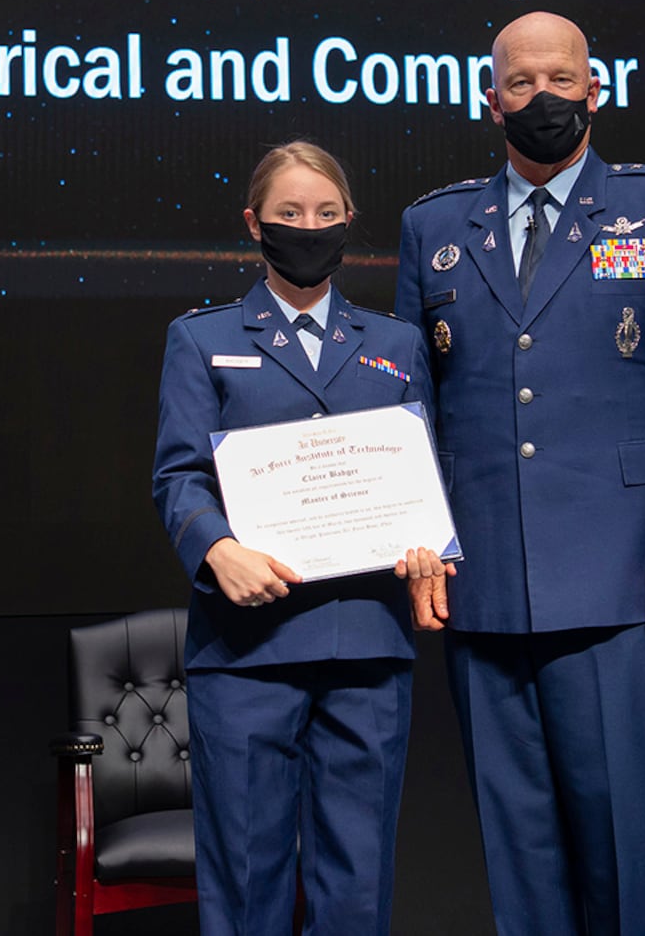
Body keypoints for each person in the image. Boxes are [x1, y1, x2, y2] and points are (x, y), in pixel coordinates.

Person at [396, 11, 645, 935]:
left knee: (625, 851)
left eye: (560, 79)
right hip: (484, 587)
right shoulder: (433, 225)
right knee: (519, 857)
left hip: (625, 581)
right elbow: (410, 408)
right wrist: (423, 540)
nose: (542, 97)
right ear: (489, 100)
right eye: (521, 82)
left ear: (597, 89)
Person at [153, 141, 446, 935]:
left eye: (324, 213)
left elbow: (424, 480)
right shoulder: (200, 337)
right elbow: (178, 477)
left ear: (349, 222)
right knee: (247, 877)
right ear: (254, 223)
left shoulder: (398, 344)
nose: (307, 227)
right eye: (288, 213)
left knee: (357, 883)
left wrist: (428, 550)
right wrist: (218, 550)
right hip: (247, 643)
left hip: (367, 642)